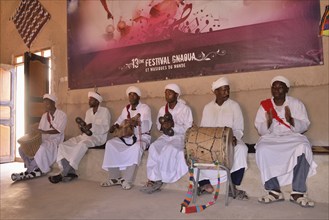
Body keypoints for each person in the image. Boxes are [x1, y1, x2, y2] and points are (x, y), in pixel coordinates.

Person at [255, 75, 317, 207]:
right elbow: (260, 129)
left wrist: (292, 120)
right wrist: (269, 122)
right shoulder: (264, 106)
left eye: (280, 87)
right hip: (271, 137)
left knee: (303, 146)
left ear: (287, 89)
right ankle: (274, 191)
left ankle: (298, 192)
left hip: (292, 137)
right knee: (262, 149)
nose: (277, 89)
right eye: (274, 87)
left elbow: (305, 125)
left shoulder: (296, 104)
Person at [196, 77, 249, 200]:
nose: (226, 93)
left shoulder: (234, 106)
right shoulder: (207, 107)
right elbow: (204, 128)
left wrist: (234, 138)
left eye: (228, 90)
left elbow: (239, 128)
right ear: (215, 92)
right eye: (223, 90)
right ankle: (205, 183)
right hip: (211, 141)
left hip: (229, 139)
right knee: (194, 150)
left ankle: (233, 186)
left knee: (242, 148)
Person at [140, 83, 193, 194]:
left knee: (169, 148)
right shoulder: (162, 109)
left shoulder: (185, 109)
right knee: (154, 147)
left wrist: (173, 126)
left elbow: (189, 128)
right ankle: (152, 178)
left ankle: (162, 178)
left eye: (170, 92)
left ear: (177, 94)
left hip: (180, 137)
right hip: (166, 136)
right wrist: (163, 126)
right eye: (166, 92)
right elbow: (159, 126)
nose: (167, 95)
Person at [49, 91, 111, 183]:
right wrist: (83, 128)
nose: (89, 101)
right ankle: (70, 172)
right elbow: (86, 128)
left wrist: (92, 126)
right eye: (89, 99)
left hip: (97, 138)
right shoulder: (88, 112)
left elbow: (106, 128)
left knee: (82, 145)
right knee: (63, 145)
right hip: (85, 135)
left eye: (91, 100)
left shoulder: (105, 111)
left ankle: (63, 173)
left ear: (97, 101)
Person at [101, 86, 152, 190]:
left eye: (134, 94)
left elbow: (146, 124)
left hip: (142, 137)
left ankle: (127, 180)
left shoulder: (144, 108)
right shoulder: (126, 109)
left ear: (138, 96)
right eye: (130, 94)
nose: (131, 96)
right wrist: (114, 126)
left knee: (136, 148)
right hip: (127, 137)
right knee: (110, 144)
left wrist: (137, 122)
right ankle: (114, 177)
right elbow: (119, 121)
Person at [11, 94, 67, 181]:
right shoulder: (44, 116)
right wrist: (34, 129)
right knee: (22, 148)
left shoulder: (62, 115)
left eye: (47, 103)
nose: (45, 106)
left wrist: (44, 131)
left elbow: (59, 131)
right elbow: (40, 130)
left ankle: (28, 171)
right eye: (44, 104)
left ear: (53, 103)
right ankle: (35, 169)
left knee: (42, 148)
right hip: (43, 139)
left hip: (55, 141)